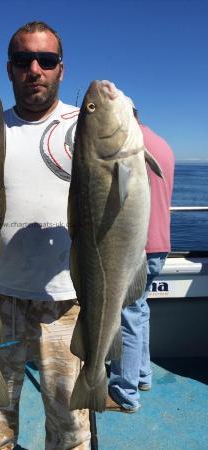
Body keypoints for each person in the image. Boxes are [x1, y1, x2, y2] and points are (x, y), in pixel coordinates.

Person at [0, 21, 91, 450]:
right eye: (23, 60)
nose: (34, 69)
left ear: (61, 69)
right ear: (10, 69)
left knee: (70, 431)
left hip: (68, 300)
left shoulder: (84, 128)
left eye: (46, 60)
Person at [106, 105, 175, 413]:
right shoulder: (161, 144)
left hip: (137, 248)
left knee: (128, 318)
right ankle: (142, 375)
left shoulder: (128, 147)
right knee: (139, 312)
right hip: (160, 244)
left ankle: (124, 392)